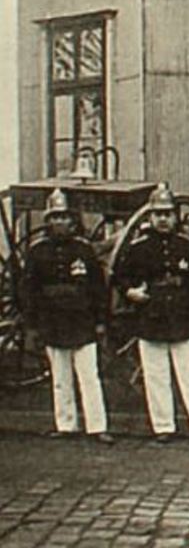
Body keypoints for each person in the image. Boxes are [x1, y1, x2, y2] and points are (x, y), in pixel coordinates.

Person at [117, 183, 189, 445]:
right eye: (158, 214)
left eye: (168, 213)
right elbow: (120, 277)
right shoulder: (138, 248)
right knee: (156, 376)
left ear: (175, 216)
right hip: (150, 316)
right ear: (150, 217)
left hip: (181, 317)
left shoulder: (188, 247)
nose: (163, 219)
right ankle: (163, 427)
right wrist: (130, 292)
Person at [23, 188, 113, 444]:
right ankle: (66, 424)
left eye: (64, 217)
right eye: (55, 217)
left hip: (82, 321)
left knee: (89, 376)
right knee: (60, 378)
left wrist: (100, 322)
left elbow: (98, 288)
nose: (60, 222)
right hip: (52, 321)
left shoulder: (84, 251)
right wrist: (33, 326)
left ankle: (98, 426)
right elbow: (29, 291)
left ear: (73, 221)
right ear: (48, 221)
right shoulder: (37, 251)